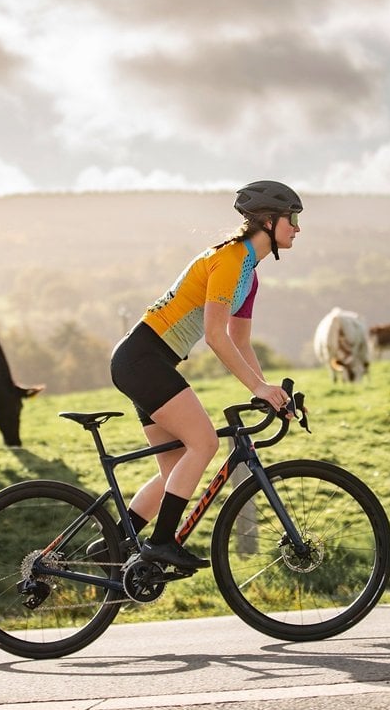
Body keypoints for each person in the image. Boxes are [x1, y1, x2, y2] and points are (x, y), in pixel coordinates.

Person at [109, 180, 303, 570]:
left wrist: (266, 391)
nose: (297, 228)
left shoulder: (249, 273)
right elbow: (215, 337)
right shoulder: (231, 260)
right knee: (204, 444)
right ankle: (162, 543)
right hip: (144, 358)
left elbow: (240, 341)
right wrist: (258, 387)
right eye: (292, 219)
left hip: (147, 361)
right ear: (267, 221)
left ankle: (111, 547)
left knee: (175, 468)